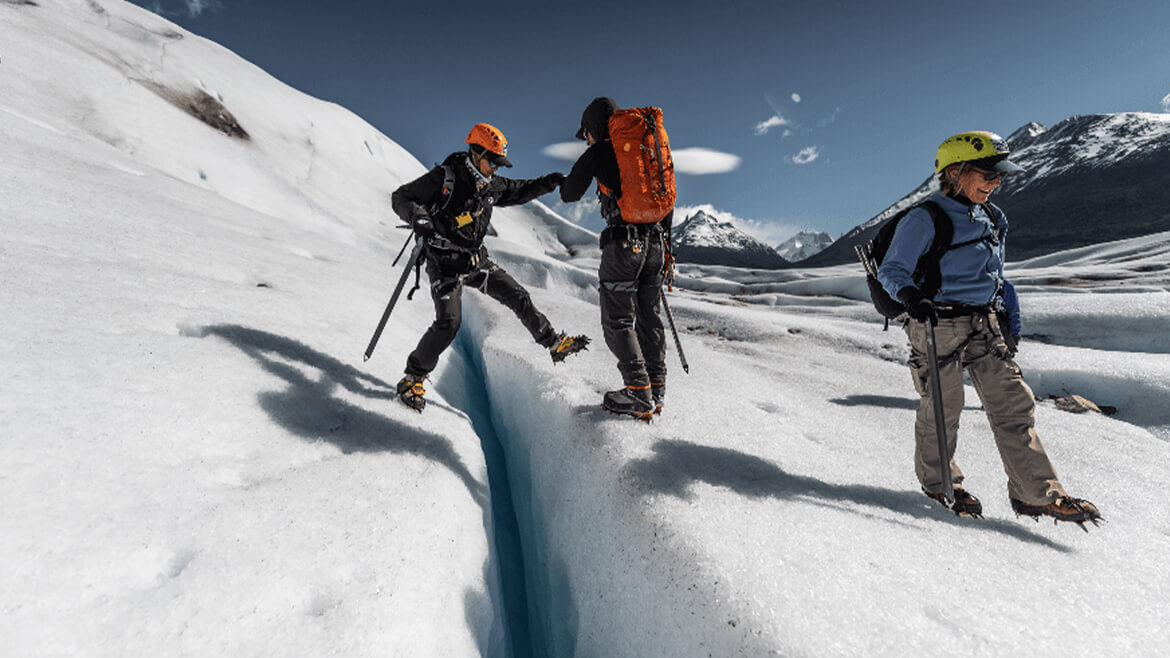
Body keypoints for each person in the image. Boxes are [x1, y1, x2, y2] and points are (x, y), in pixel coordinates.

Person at [877, 131, 1101, 528]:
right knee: (942, 410)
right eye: (986, 174)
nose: (995, 182)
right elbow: (892, 270)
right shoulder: (924, 218)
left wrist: (1009, 321)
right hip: (935, 323)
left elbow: (997, 277)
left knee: (1014, 407)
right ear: (955, 172)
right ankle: (941, 485)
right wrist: (913, 298)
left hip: (986, 325)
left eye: (999, 176)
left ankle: (1037, 493)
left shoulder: (994, 217)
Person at [390, 123, 589, 412]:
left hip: (475, 261)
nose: (496, 168)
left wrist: (550, 181)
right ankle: (412, 378)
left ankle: (554, 343)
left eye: (499, 163)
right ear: (476, 152)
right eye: (492, 161)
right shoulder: (445, 178)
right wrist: (418, 217)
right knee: (449, 323)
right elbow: (401, 197)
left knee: (517, 295)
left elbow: (519, 190)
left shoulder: (491, 186)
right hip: (443, 264)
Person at [561, 97, 672, 421]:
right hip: (655, 244)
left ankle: (638, 392)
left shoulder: (600, 151)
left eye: (587, 134)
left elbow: (569, 193)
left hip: (624, 245)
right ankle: (655, 387)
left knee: (618, 318)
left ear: (593, 127)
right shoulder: (644, 153)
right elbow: (666, 201)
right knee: (649, 316)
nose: (587, 140)